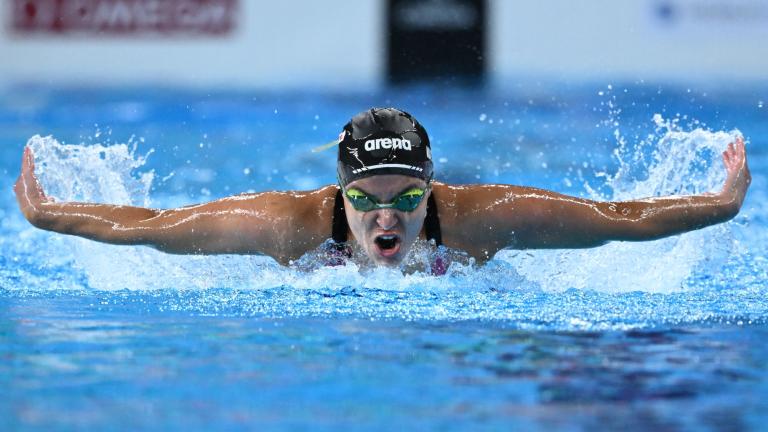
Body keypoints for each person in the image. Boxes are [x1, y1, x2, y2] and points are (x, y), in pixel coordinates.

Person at [15, 108, 751, 272]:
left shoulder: (482, 219)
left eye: (408, 196)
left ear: (433, 190)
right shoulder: (284, 226)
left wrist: (720, 206)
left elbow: (617, 219)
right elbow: (151, 223)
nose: (387, 215)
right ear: (340, 193)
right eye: (368, 198)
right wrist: (51, 217)